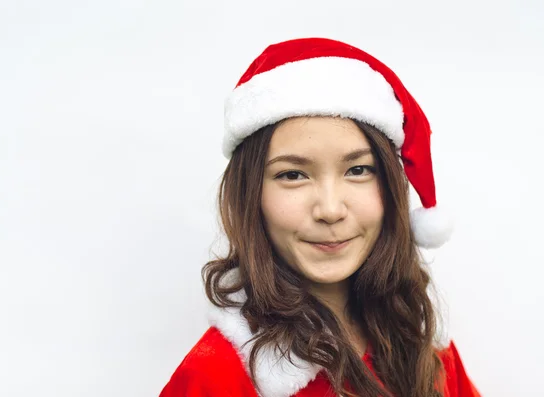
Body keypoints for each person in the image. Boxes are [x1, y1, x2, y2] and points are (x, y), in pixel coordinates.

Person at [159, 37, 481, 397]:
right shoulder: (216, 375)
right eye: (293, 175)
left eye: (358, 170)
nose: (330, 210)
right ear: (251, 196)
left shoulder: (425, 346)